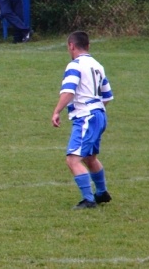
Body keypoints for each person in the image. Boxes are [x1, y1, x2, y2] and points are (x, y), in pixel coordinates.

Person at [51, 31, 113, 210]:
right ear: (88, 45)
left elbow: (68, 91)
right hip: (99, 115)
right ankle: (101, 193)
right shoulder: (97, 65)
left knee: (73, 160)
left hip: (86, 117)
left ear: (71, 46)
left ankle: (88, 200)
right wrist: (96, 109)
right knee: (89, 157)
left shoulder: (75, 65)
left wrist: (57, 111)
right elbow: (107, 95)